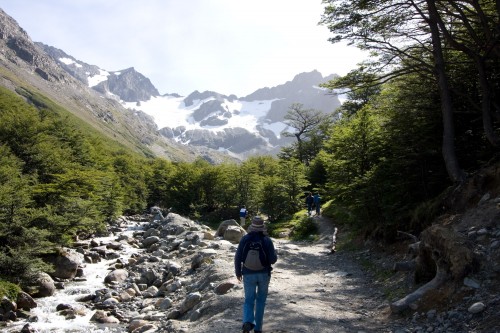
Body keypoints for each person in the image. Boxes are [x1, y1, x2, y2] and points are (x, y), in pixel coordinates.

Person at [234, 216, 278, 333]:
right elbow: (273, 259)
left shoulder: (245, 239)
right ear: (262, 227)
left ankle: (248, 322)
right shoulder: (267, 240)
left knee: (249, 300)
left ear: (252, 227)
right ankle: (258, 329)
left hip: (248, 273)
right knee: (261, 301)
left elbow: (238, 257)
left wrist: (238, 272)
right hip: (264, 274)